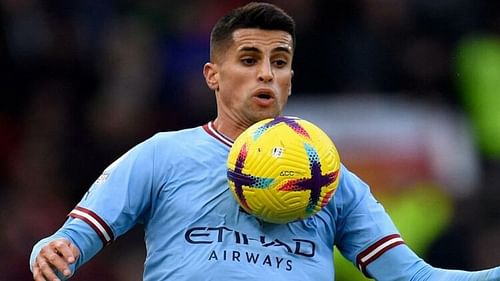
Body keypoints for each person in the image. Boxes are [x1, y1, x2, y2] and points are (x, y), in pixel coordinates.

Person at [30, 2, 500, 281]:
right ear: (213, 75)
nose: (266, 73)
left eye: (280, 61)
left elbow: (414, 276)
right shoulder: (163, 155)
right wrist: (52, 250)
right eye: (250, 58)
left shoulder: (332, 180)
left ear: (291, 78)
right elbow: (73, 238)